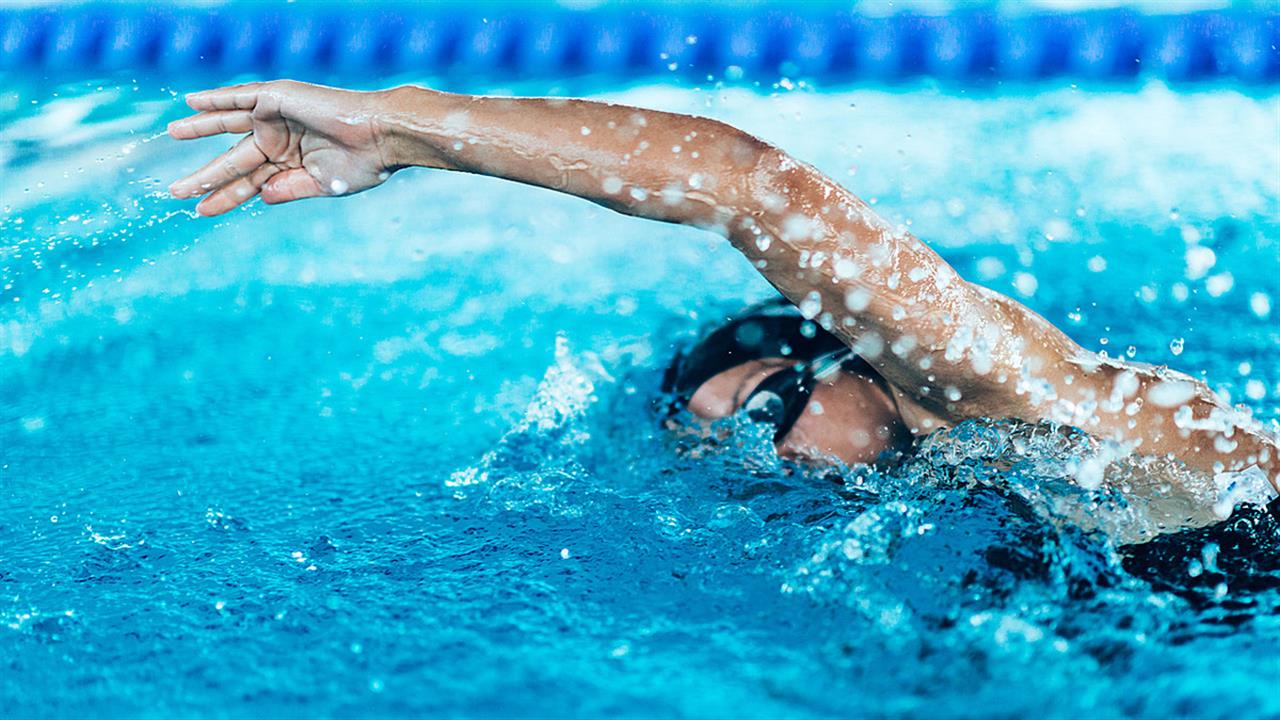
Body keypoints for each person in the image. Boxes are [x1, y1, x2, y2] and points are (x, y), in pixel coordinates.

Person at [167, 80, 1279, 528]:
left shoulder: (978, 384)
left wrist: (407, 127)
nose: (768, 460)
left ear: (852, 357)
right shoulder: (984, 495)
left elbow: (745, 185)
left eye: (762, 409)